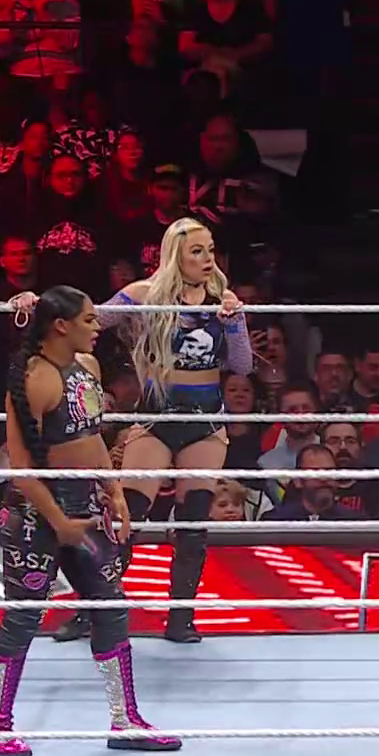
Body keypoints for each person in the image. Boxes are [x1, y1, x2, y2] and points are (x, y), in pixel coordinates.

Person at [0, 286, 179, 756]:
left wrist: (114, 491)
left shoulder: (87, 368)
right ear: (61, 325)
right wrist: (59, 522)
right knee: (24, 615)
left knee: (110, 605)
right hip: (36, 512)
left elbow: (92, 437)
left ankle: (125, 719)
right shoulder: (34, 379)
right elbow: (22, 470)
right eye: (89, 320)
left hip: (84, 505)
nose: (98, 327)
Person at [56, 218, 249, 644]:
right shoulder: (144, 295)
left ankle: (181, 619)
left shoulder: (221, 297)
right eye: (196, 251)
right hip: (157, 417)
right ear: (175, 255)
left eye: (210, 249)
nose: (207, 258)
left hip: (204, 423)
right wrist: (44, 307)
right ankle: (91, 610)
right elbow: (91, 319)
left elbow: (242, 365)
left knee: (193, 522)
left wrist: (235, 321)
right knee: (126, 517)